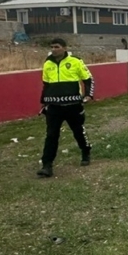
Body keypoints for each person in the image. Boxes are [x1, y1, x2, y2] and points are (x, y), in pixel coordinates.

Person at [37, 38, 94, 178]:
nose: (53, 49)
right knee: (51, 135)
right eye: (51, 46)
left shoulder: (75, 61)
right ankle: (46, 165)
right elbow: (46, 84)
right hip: (54, 107)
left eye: (56, 46)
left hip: (73, 105)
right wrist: (43, 102)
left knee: (78, 131)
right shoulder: (47, 63)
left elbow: (88, 79)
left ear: (64, 48)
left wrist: (88, 95)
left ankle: (85, 152)